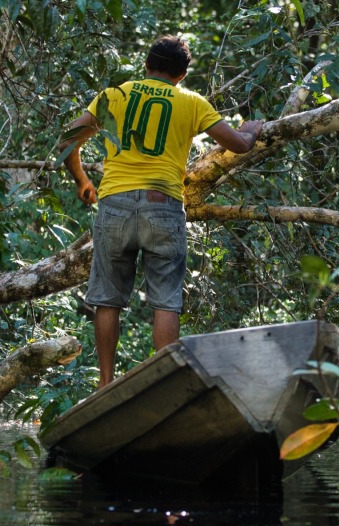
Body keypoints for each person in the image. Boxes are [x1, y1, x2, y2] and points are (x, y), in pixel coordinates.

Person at [61, 35, 263, 388]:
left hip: (115, 205)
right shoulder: (191, 102)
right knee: (165, 301)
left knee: (108, 299)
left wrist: (82, 182)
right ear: (182, 75)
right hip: (163, 206)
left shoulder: (114, 96)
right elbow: (238, 145)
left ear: (146, 67)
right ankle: (163, 387)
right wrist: (251, 131)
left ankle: (106, 383)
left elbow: (66, 142)